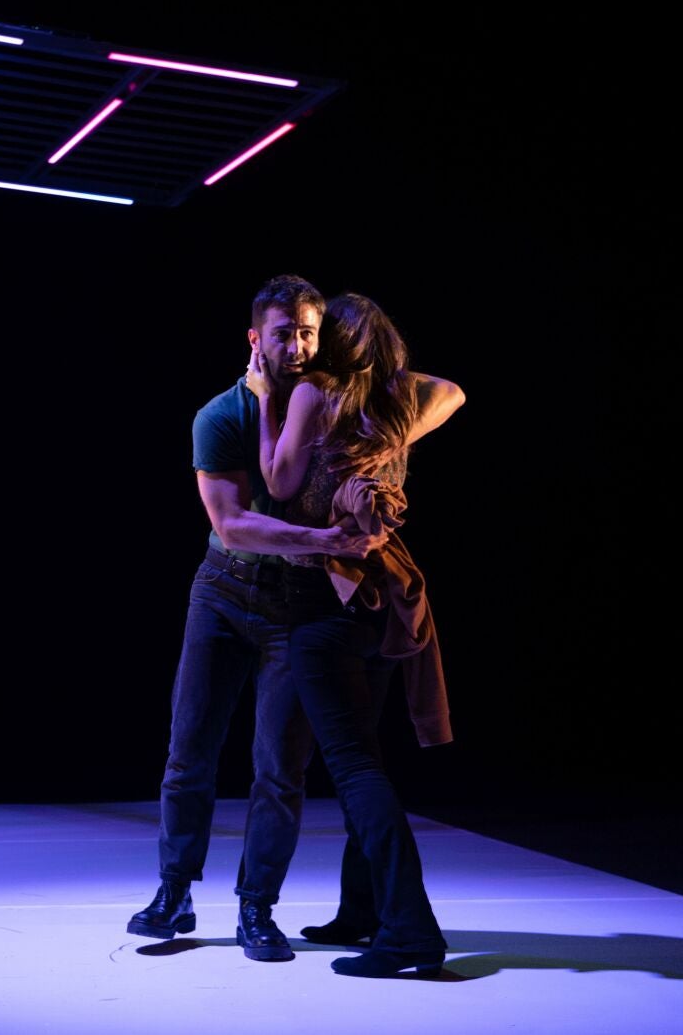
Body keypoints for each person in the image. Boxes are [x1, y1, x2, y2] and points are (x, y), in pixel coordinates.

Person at [127, 276, 386, 961]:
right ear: (254, 339)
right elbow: (234, 524)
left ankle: (256, 907)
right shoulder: (220, 416)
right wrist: (325, 540)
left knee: (280, 766)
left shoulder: (336, 407)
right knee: (190, 751)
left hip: (300, 605)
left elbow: (438, 392)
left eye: (307, 332)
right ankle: (173, 892)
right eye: (283, 334)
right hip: (224, 591)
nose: (296, 347)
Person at [248, 291, 464, 977]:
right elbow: (453, 390)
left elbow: (280, 483)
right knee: (364, 756)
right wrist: (391, 433)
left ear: (334, 342)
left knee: (355, 767)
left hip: (326, 600)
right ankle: (362, 911)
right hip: (378, 605)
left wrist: (265, 402)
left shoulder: (315, 391)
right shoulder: (395, 403)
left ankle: (410, 934)